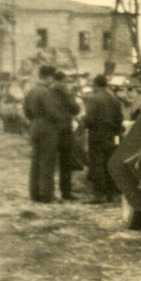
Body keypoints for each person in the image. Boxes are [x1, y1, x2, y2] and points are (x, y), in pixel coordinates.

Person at [22, 64, 68, 203]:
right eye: (52, 78)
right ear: (47, 77)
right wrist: (61, 120)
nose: (52, 81)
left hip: (35, 127)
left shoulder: (32, 91)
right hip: (48, 129)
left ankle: (34, 194)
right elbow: (52, 112)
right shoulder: (47, 92)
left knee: (36, 162)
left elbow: (26, 110)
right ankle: (47, 195)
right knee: (47, 162)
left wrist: (34, 121)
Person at [82, 74, 124, 203]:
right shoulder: (114, 99)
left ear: (95, 85)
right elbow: (120, 118)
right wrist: (116, 131)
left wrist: (83, 123)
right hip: (111, 135)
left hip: (97, 135)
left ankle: (98, 195)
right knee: (109, 164)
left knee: (97, 164)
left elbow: (90, 118)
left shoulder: (93, 99)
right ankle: (111, 194)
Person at [52, 70, 81, 201]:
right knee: (65, 163)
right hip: (64, 131)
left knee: (50, 163)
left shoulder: (48, 92)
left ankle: (50, 192)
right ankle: (66, 192)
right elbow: (75, 109)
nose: (66, 83)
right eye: (65, 81)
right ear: (62, 81)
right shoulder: (65, 93)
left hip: (52, 131)